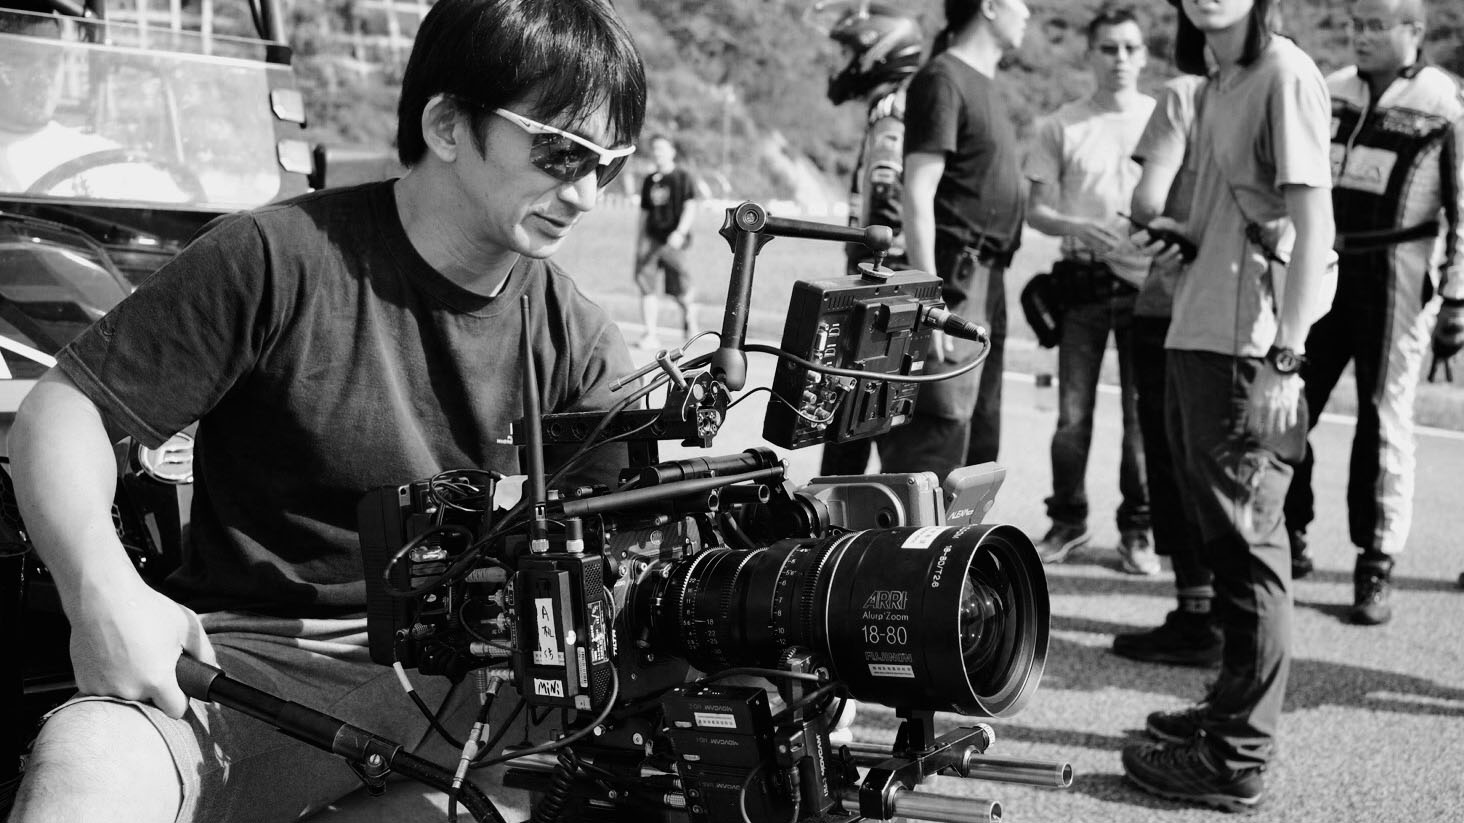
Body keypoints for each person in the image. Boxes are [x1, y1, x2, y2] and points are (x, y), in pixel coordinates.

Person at [6, 1, 645, 821]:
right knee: (90, 764)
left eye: (610, 165)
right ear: (448, 125)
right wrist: (101, 590)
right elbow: (64, 413)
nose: (585, 193)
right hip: (259, 663)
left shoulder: (576, 335)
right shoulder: (275, 258)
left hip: (480, 673)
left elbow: (631, 534)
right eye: (561, 151)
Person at [1120, 0, 1336, 813]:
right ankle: (1226, 712)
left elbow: (1314, 228)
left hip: (1249, 346)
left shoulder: (1285, 74)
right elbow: (1236, 211)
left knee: (1251, 550)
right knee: (1222, 540)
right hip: (1197, 327)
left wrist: (1286, 357)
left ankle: (1237, 756)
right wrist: (1185, 233)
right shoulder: (1217, 82)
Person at [1281, 0, 1464, 626]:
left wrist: (1457, 298)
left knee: (1383, 420)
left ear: (1414, 31)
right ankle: (1289, 533)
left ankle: (1375, 562)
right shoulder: (1329, 88)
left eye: (1376, 26)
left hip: (1398, 277)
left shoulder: (1446, 103)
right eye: (1356, 25)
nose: (1361, 36)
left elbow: (1463, 210)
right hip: (1322, 270)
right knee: (1288, 402)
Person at [1023, 5, 1158, 575]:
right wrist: (1077, 226)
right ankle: (1068, 521)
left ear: (1144, 55)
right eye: (1108, 48)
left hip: (1147, 288)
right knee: (1072, 416)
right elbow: (1036, 210)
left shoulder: (1162, 118)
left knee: (1140, 419)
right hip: (1080, 287)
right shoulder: (1061, 124)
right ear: (1090, 54)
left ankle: (1139, 530)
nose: (1120, 59)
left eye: (1130, 48)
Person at [878, 0, 1029, 482]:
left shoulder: (985, 83)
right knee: (936, 436)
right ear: (989, 7)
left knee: (979, 439)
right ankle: (913, 533)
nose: (1027, 12)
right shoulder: (944, 78)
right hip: (954, 276)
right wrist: (931, 301)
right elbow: (917, 192)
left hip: (988, 279)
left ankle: (960, 537)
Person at [1110, 72, 1224, 665]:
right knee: (1227, 461)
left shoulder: (1186, 93)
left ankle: (1197, 614)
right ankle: (1232, 613)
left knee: (1174, 458)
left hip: (1173, 303)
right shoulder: (1286, 82)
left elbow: (1147, 204)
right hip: (1246, 305)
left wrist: (1167, 225)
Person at [816, 1, 925, 477]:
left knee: (854, 408)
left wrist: (873, 271)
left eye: (848, 52)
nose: (842, 65)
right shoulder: (898, 100)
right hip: (888, 276)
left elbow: (885, 193)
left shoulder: (891, 107)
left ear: (876, 51)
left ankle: (837, 506)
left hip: (881, 281)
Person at [0, 3, 190, 200]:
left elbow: (171, 200)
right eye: (20, 61)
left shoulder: (90, 150)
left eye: (53, 62)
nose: (41, 78)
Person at [633, 133, 697, 350]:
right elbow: (644, 212)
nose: (658, 153)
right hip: (652, 239)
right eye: (655, 149)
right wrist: (640, 242)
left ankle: (690, 316)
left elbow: (690, 207)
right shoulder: (649, 180)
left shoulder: (682, 177)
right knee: (646, 286)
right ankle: (650, 333)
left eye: (662, 148)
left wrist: (680, 232)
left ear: (672, 151)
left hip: (674, 242)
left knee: (680, 290)